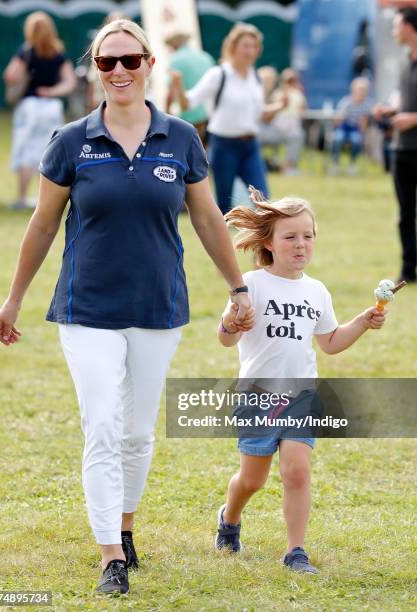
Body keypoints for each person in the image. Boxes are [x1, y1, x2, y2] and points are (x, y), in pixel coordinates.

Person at [0, 18, 253, 596]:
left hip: (159, 307)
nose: (117, 72)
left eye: (129, 61)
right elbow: (42, 224)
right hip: (86, 307)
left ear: (149, 66)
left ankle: (127, 527)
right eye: (106, 62)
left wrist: (239, 288)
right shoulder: (71, 140)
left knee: (137, 432)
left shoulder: (182, 137)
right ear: (94, 70)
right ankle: (111, 553)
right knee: (103, 425)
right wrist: (14, 299)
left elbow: (209, 219)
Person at [215, 188, 387, 573]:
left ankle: (295, 551)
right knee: (253, 478)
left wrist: (361, 322)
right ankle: (230, 517)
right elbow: (226, 338)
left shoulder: (316, 291)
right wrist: (231, 322)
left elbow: (329, 343)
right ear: (269, 243)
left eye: (307, 236)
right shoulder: (252, 283)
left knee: (297, 470)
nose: (300, 244)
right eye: (290, 236)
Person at [171, 23, 286, 215]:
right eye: (245, 45)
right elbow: (187, 103)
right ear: (233, 47)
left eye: (254, 46)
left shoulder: (255, 78)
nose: (250, 51)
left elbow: (258, 113)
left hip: (250, 146)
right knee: (224, 206)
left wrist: (279, 106)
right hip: (224, 147)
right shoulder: (219, 74)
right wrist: (178, 85)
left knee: (264, 203)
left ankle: (264, 243)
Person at [3, 11, 76, 209]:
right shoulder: (58, 53)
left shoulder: (26, 51)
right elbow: (70, 82)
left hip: (30, 107)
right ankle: (49, 201)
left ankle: (22, 197)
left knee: (27, 151)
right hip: (52, 107)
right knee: (50, 153)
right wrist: (51, 91)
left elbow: (10, 76)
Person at [373, 7, 417, 283]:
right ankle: (408, 269)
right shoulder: (406, 61)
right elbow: (404, 99)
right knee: (405, 214)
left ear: (410, 27)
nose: (393, 30)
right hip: (403, 149)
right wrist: (390, 110)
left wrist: (414, 119)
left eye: (397, 25)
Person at [165, 32, 215, 146]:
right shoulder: (205, 56)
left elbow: (172, 91)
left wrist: (166, 112)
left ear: (173, 45)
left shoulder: (176, 60)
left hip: (190, 114)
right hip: (210, 113)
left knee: (191, 152)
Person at [259, 68, 306, 175]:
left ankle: (288, 167)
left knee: (297, 136)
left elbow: (303, 111)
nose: (290, 83)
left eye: (292, 80)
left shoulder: (299, 95)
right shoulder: (276, 95)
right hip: (275, 130)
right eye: (288, 80)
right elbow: (266, 116)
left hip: (292, 132)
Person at [330, 77, 372, 175]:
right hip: (344, 127)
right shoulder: (346, 102)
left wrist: (363, 129)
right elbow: (337, 119)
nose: (361, 93)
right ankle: (335, 163)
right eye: (359, 90)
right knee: (337, 139)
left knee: (356, 141)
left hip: (355, 129)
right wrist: (339, 120)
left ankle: (352, 164)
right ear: (354, 90)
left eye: (363, 91)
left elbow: (365, 124)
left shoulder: (366, 105)